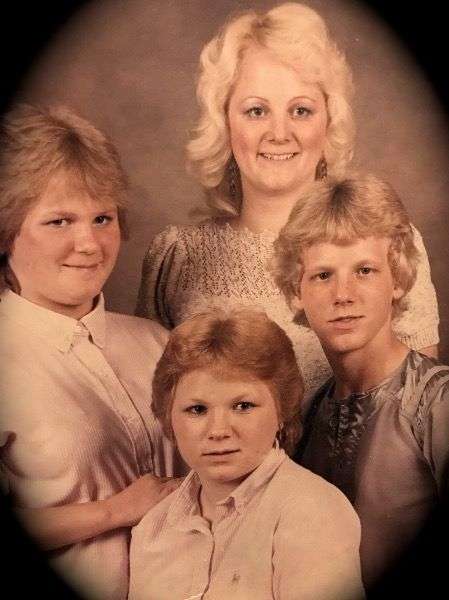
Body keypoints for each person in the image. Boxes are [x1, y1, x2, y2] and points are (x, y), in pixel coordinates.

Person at [135, 2, 439, 400]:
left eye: (300, 110)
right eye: (256, 111)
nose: (279, 133)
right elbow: (153, 412)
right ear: (225, 123)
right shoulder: (177, 258)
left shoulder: (388, 242)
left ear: (328, 122)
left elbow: (415, 414)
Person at [0, 104, 182, 600]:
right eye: (59, 221)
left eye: (102, 218)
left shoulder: (158, 343)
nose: (89, 244)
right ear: (6, 232)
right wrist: (114, 511)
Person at [271, 174, 449, 588]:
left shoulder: (435, 402)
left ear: (398, 280)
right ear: (296, 291)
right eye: (323, 275)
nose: (343, 294)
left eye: (365, 270)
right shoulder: (308, 415)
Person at [128, 308, 365, 600]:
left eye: (243, 406)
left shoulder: (312, 511)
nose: (218, 431)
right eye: (197, 409)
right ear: (169, 419)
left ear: (281, 411)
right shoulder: (153, 527)